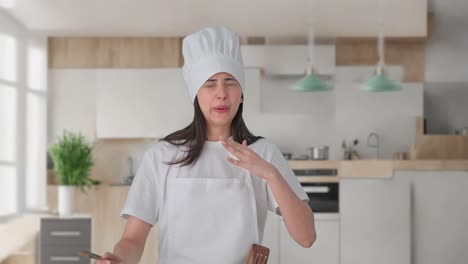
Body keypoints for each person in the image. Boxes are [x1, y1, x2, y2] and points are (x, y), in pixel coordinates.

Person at [95, 26, 316, 264]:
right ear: (195, 93)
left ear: (241, 93)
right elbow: (133, 240)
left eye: (230, 82)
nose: (221, 93)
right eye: (210, 83)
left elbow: (306, 237)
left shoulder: (264, 153)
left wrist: (271, 175)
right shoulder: (162, 155)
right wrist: (118, 259)